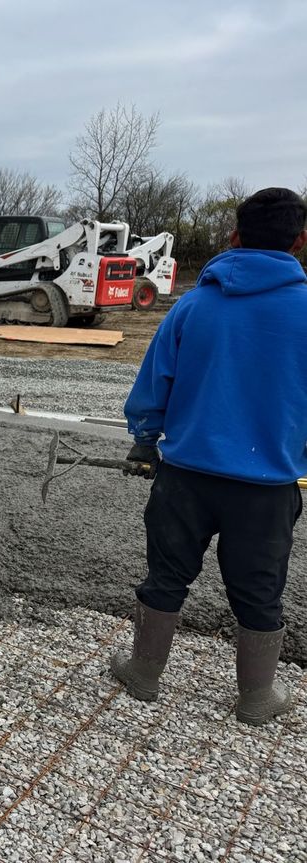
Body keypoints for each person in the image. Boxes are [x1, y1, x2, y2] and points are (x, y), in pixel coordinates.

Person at [113, 187, 307, 726]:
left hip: (186, 478)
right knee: (260, 586)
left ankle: (144, 673)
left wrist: (146, 439)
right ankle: (257, 696)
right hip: (267, 487)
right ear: (300, 241)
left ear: (234, 237)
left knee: (167, 574)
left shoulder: (196, 304)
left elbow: (155, 383)